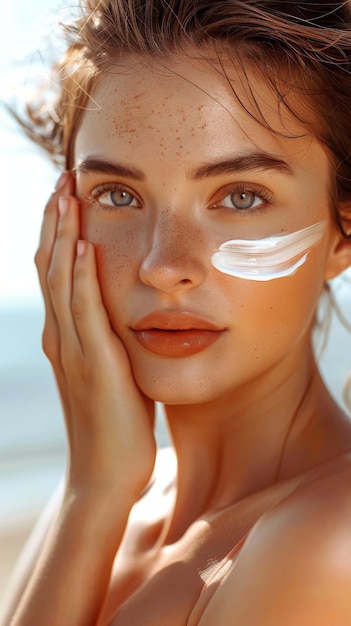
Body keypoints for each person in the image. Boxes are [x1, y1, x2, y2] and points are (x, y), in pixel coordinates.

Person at [3, 0, 351, 624]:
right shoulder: (109, 489)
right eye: (116, 195)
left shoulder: (332, 539)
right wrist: (94, 492)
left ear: (343, 233)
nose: (163, 266)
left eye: (241, 197)